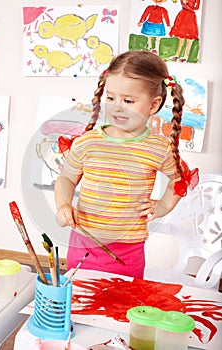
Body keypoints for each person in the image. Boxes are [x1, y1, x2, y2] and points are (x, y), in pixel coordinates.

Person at [54, 50, 199, 278]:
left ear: (153, 105)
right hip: (83, 243)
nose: (117, 107)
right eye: (111, 98)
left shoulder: (158, 148)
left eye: (128, 100)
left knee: (123, 305)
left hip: (128, 250)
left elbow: (179, 178)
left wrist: (162, 206)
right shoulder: (88, 142)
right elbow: (66, 178)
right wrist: (63, 205)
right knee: (79, 298)